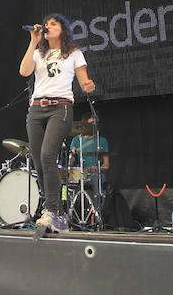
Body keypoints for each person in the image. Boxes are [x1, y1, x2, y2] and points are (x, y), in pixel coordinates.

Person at [20, 14, 95, 233]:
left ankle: (52, 210)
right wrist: (33, 41)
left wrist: (88, 85)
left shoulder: (74, 53)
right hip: (36, 109)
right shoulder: (38, 52)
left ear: (63, 29)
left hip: (60, 107)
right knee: (39, 163)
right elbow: (24, 71)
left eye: (54, 24)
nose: (48, 26)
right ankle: (58, 215)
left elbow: (83, 79)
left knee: (47, 155)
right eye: (47, 24)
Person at [70, 112, 110, 208]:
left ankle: (97, 213)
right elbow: (70, 162)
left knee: (96, 178)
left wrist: (98, 168)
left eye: (95, 123)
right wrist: (72, 155)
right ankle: (70, 212)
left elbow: (107, 165)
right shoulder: (76, 140)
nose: (94, 126)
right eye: (91, 123)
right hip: (80, 174)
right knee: (66, 183)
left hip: (95, 174)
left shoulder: (102, 141)